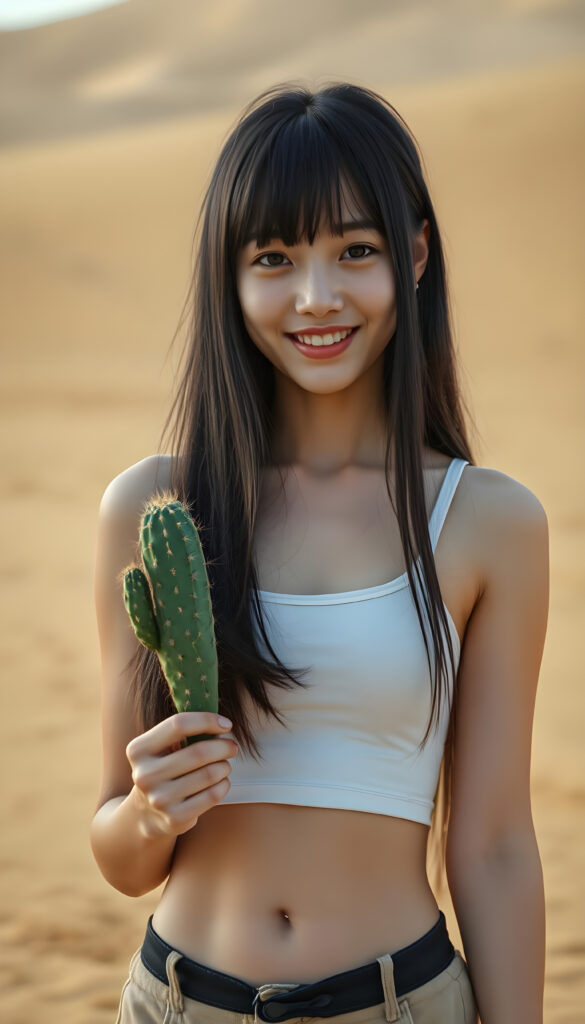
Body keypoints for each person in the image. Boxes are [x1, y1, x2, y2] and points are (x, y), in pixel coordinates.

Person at [91, 81, 549, 1024]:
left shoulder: (489, 522)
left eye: (355, 250)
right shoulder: (155, 508)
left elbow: (495, 843)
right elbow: (121, 857)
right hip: (178, 1002)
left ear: (413, 254)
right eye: (273, 257)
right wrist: (148, 811)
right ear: (231, 275)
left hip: (399, 1003)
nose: (315, 297)